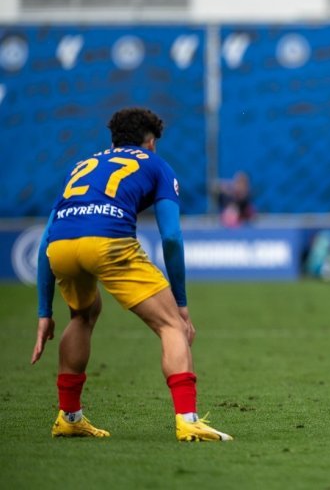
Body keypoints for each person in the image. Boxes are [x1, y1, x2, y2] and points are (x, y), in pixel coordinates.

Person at [31, 107, 233, 442]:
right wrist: (180, 304)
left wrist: (44, 312)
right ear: (150, 142)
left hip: (61, 246)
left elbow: (44, 242)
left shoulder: (82, 165)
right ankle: (188, 419)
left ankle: (69, 417)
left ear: (114, 141)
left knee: (83, 314)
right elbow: (170, 236)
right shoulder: (156, 164)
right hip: (107, 241)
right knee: (171, 326)